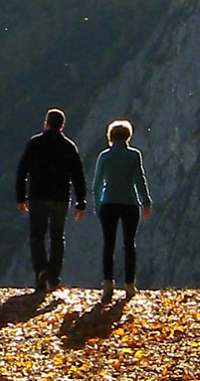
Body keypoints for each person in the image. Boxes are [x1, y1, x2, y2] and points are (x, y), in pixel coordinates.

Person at [15, 108, 87, 293]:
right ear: (62, 125)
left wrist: (21, 197)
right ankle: (54, 278)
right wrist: (81, 202)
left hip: (38, 196)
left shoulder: (35, 143)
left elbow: (22, 171)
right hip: (61, 198)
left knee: (37, 235)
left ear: (46, 123)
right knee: (57, 237)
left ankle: (41, 270)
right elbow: (78, 176)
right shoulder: (69, 146)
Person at [92, 119, 153, 300]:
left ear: (110, 136)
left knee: (108, 244)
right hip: (129, 203)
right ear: (128, 136)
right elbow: (139, 179)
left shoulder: (104, 156)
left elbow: (96, 184)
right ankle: (129, 285)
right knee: (129, 244)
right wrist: (146, 202)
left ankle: (108, 285)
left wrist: (98, 205)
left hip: (109, 203)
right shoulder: (134, 155)